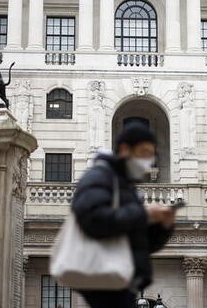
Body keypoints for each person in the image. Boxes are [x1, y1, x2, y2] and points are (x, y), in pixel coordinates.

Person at [72, 122, 176, 308]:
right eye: (144, 152)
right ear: (124, 149)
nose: (148, 161)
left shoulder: (126, 186)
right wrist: (143, 214)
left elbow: (140, 241)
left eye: (151, 155)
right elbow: (93, 221)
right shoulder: (100, 176)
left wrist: (163, 226)